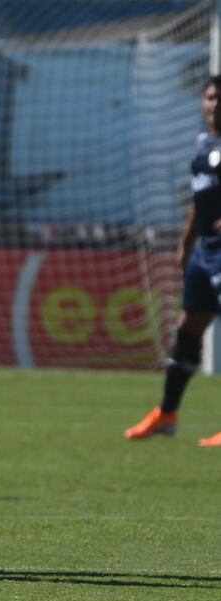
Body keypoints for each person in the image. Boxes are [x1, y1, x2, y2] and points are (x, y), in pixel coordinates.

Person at [125, 76, 221, 448]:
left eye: (219, 98)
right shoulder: (202, 144)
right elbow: (199, 201)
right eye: (210, 97)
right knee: (188, 330)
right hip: (204, 252)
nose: (214, 104)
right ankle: (167, 414)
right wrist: (185, 244)